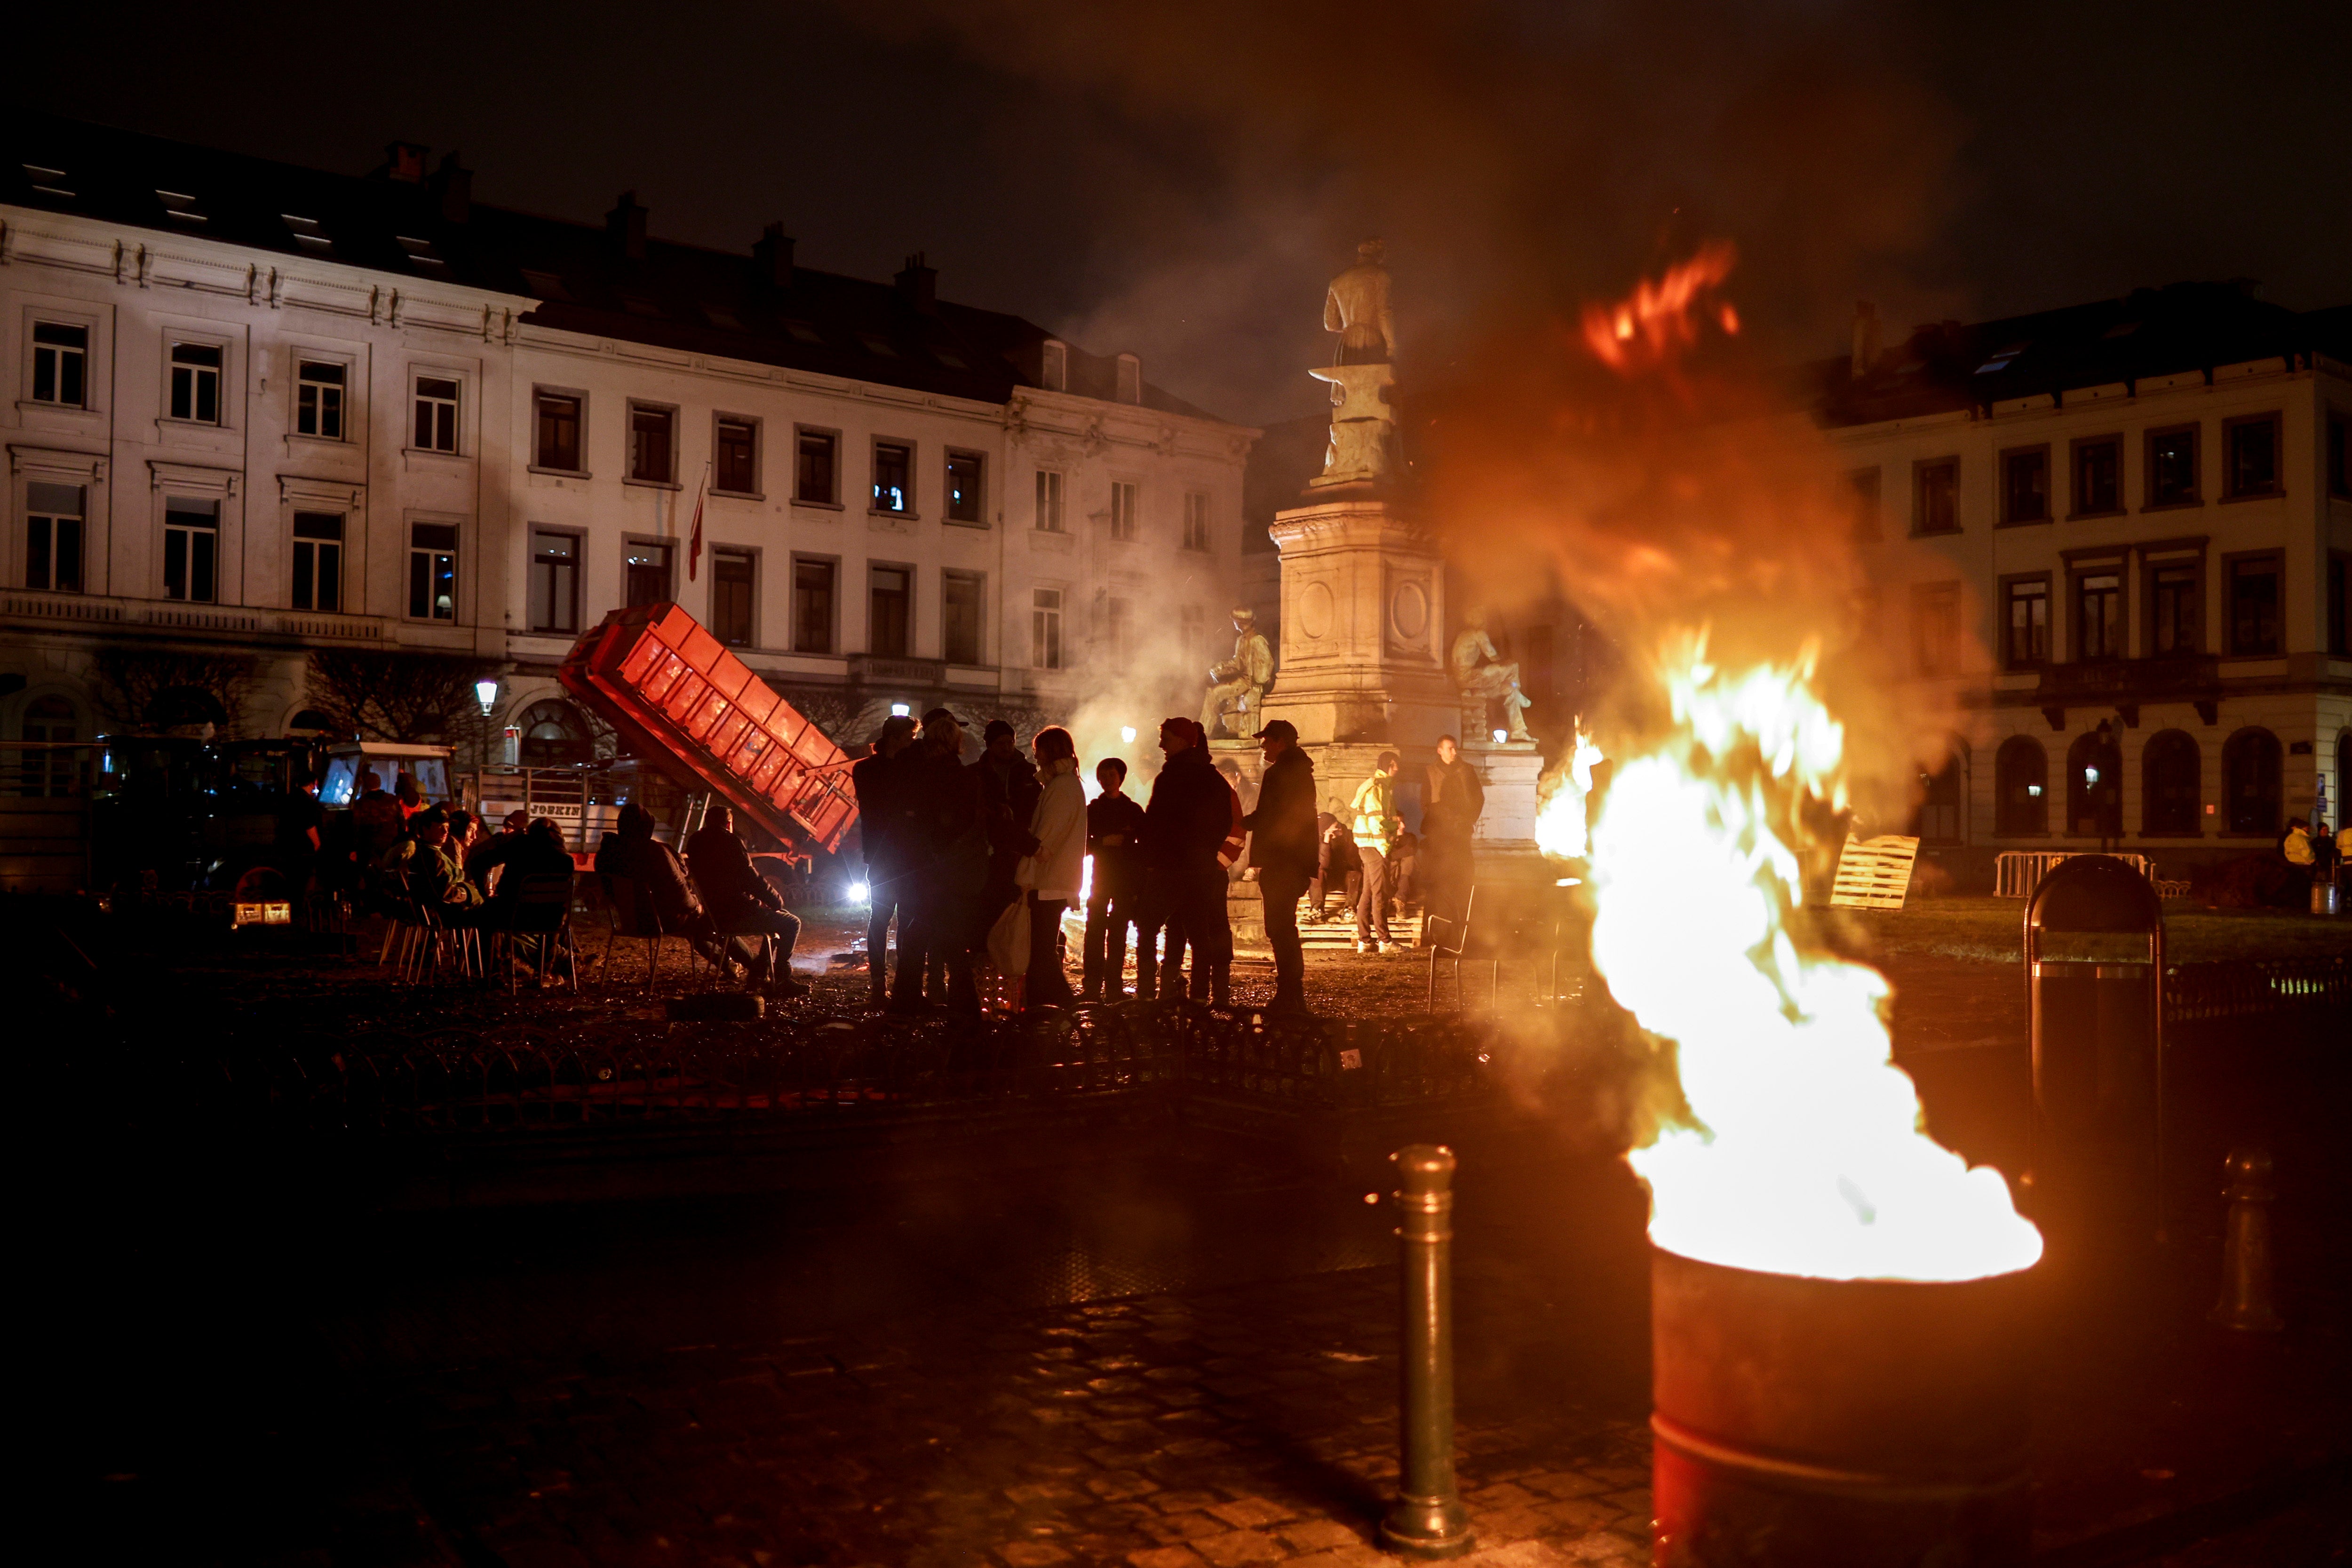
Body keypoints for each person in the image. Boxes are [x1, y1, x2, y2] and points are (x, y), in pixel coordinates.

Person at [1142, 716, 1240, 1005]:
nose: (1161, 744)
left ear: (1184, 741)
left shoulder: (1171, 776)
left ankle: (1151, 993)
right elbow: (1225, 821)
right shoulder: (1212, 778)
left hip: (1170, 869)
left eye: (1167, 738)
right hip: (1201, 869)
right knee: (1200, 936)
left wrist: (1151, 860)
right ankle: (1200, 997)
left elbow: (1155, 822)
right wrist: (1208, 854)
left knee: (1148, 928)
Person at [594, 802, 753, 978]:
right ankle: (756, 966)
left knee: (697, 928)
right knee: (714, 923)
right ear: (647, 826)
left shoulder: (607, 854)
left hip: (631, 922)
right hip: (662, 921)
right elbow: (678, 888)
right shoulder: (656, 852)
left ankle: (729, 966)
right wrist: (696, 907)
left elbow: (609, 891)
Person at [894, 708, 986, 1013]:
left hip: (920, 867)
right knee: (953, 940)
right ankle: (965, 1009)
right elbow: (967, 822)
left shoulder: (916, 774)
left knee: (917, 933)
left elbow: (909, 819)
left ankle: (904, 1002)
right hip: (950, 869)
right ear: (955, 742)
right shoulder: (962, 777)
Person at [687, 803, 808, 996]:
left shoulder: (695, 842)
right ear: (728, 824)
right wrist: (775, 899)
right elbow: (751, 878)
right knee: (791, 923)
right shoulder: (730, 842)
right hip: (737, 913)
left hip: (714, 913)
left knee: (777, 920)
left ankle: (759, 974)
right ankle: (781, 979)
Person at [1242, 719, 1318, 1014]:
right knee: (1285, 927)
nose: (1262, 746)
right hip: (1295, 863)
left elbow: (1269, 816)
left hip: (1281, 862)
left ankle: (1289, 994)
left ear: (1280, 742)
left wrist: (1239, 823)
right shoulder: (1302, 772)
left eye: (1266, 741)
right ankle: (1292, 994)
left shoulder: (1279, 773)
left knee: (1280, 928)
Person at [852, 714, 918, 1006]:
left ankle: (895, 985)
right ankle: (882, 984)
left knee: (896, 920)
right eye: (909, 739)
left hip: (890, 855)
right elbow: (884, 807)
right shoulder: (869, 769)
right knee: (886, 919)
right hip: (888, 856)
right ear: (894, 740)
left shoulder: (874, 769)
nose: (913, 745)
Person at [1021, 727, 1087, 1008]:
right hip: (1055, 880)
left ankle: (1053, 1005)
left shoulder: (1062, 786)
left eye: (1038, 749)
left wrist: (1026, 859)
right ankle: (1052, 1004)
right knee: (1043, 948)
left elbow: (1046, 839)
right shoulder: (1064, 784)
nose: (1035, 755)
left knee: (1041, 950)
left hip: (1049, 881)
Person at [971, 717, 1043, 941]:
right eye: (1001, 743)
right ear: (990, 745)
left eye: (1010, 742)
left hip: (1021, 850)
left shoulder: (1030, 772)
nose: (1007, 747)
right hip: (988, 851)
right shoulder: (976, 773)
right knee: (989, 907)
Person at [1084, 757, 1146, 1000]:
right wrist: (1103, 842)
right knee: (1095, 931)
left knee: (1118, 933)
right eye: (1104, 776)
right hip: (1100, 878)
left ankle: (1114, 987)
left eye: (1112, 775)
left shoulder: (1133, 811)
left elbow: (1145, 846)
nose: (1108, 780)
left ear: (1121, 777)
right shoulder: (1092, 811)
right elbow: (1081, 845)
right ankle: (1092, 986)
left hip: (1124, 880)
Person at [1421, 735, 1485, 928]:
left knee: (1462, 878)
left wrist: (1468, 820)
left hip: (1461, 833)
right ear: (1440, 751)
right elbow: (1425, 801)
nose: (1454, 753)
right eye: (1450, 749)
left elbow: (1478, 798)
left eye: (1455, 748)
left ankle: (1463, 926)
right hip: (1439, 836)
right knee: (1441, 881)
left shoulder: (1466, 770)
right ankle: (1442, 929)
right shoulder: (1431, 772)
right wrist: (1437, 822)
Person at [1349, 751, 1404, 954]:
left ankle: (1365, 941)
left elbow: (1378, 818)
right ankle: (1385, 941)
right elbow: (1377, 821)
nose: (1398, 769)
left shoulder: (1378, 786)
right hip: (1374, 847)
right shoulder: (1379, 788)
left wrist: (1395, 822)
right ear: (1389, 765)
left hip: (1367, 846)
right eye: (1395, 765)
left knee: (1369, 893)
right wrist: (1384, 848)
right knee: (1379, 894)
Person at [382, 806, 482, 912]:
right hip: (448, 911)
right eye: (440, 827)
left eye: (447, 827)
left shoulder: (430, 851)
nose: (446, 831)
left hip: (442, 907)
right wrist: (468, 893)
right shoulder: (431, 855)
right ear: (426, 829)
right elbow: (444, 892)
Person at [1308, 812, 1358, 921]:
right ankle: (1317, 910)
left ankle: (1349, 910)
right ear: (1324, 831)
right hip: (1328, 881)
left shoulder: (1349, 835)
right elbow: (1323, 865)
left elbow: (1354, 864)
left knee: (1356, 874)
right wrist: (1326, 842)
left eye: (1338, 825)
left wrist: (1343, 839)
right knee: (1318, 872)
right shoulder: (1318, 839)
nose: (1338, 828)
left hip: (1345, 879)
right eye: (1335, 828)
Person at [351, 767, 405, 866]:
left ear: (366, 786)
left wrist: (354, 848)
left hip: (368, 845)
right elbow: (402, 822)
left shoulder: (361, 803)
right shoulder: (392, 800)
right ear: (379, 784)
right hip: (390, 843)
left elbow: (356, 827)